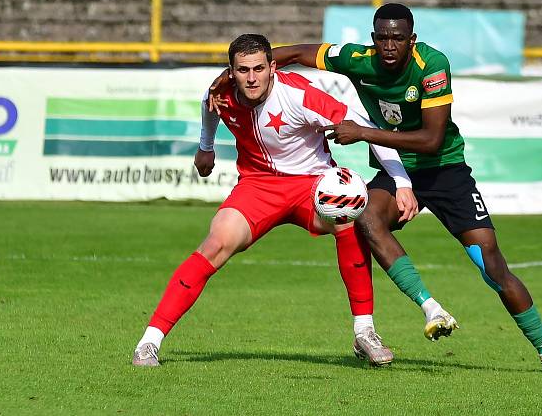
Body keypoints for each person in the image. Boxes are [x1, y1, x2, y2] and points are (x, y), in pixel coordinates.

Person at [212, 4, 542, 375]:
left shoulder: (431, 66)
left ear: (411, 39)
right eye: (382, 38)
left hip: (445, 172)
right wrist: (229, 77)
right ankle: (425, 308)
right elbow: (298, 53)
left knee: (491, 266)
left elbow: (432, 140)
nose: (389, 45)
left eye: (397, 38)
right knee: (363, 217)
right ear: (373, 39)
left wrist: (363, 132)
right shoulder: (357, 58)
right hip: (394, 165)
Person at [132, 33, 420, 368]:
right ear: (231, 72)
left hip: (310, 185)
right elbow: (208, 105)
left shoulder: (299, 94)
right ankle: (149, 341)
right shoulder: (222, 90)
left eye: (258, 68)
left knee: (347, 211)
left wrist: (401, 181)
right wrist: (205, 147)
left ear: (272, 66)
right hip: (258, 186)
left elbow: (365, 128)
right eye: (242, 70)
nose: (251, 78)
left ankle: (364, 331)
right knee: (216, 242)